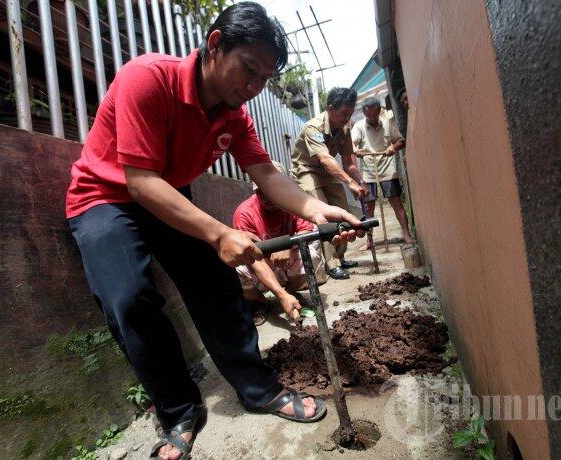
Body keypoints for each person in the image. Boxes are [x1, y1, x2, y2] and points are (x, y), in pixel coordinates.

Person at [64, 4, 364, 459]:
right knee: (130, 300)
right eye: (248, 70)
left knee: (216, 282)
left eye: (264, 79)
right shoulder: (147, 77)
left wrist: (320, 210)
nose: (253, 87)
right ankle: (179, 409)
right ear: (215, 43)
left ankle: (258, 388)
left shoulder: (233, 115)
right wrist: (219, 233)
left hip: (165, 193)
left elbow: (267, 173)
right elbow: (140, 182)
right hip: (105, 196)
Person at [234, 161, 326, 326]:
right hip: (260, 267)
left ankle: (290, 291)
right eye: (261, 191)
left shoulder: (294, 204)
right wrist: (279, 294)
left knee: (311, 254)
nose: (267, 197)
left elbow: (306, 231)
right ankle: (261, 301)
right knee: (235, 270)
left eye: (272, 191)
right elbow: (253, 260)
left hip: (286, 264)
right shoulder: (244, 212)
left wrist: (287, 245)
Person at [290, 87, 367, 280]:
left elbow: (348, 160)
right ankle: (331, 264)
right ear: (331, 108)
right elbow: (325, 159)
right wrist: (349, 182)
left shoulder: (346, 127)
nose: (346, 118)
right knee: (323, 214)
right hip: (307, 171)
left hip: (327, 172)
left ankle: (340, 257)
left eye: (349, 114)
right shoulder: (313, 127)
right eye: (343, 113)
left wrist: (360, 181)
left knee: (342, 210)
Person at [352, 96, 415, 248]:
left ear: (379, 111)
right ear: (364, 113)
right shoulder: (359, 126)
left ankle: (406, 234)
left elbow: (401, 141)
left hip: (387, 168)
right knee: (368, 207)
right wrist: (357, 150)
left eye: (375, 114)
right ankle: (370, 240)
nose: (372, 118)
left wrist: (392, 148)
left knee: (396, 202)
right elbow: (351, 146)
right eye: (369, 115)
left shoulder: (387, 123)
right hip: (368, 170)